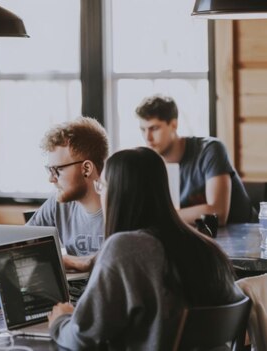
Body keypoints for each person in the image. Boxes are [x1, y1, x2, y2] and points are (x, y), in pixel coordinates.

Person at [47, 147, 244, 349]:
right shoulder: (207, 248)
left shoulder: (124, 249)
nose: (100, 193)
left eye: (102, 186)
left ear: (118, 193)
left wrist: (61, 321)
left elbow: (83, 337)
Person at [135, 95, 254, 225]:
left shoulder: (210, 150)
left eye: (154, 128)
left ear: (174, 125)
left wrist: (161, 217)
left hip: (243, 237)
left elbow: (217, 214)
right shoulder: (149, 163)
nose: (148, 137)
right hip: (197, 238)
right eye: (143, 129)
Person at [26, 117, 108, 272]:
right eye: (49, 170)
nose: (51, 179)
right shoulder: (57, 204)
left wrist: (71, 261)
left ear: (87, 169)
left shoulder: (122, 206)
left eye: (58, 170)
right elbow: (22, 245)